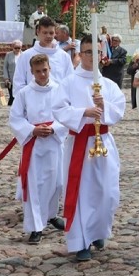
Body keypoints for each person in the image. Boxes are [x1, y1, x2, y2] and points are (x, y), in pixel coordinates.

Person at [53, 35, 126, 262]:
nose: (91, 57)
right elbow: (58, 108)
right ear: (79, 54)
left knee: (106, 192)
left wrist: (104, 107)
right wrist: (83, 112)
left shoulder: (108, 84)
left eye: (95, 52)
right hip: (80, 144)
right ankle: (81, 240)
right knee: (82, 192)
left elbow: (119, 109)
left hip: (103, 143)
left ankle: (98, 231)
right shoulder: (69, 82)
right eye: (87, 52)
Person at [5, 54, 68, 244]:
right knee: (35, 185)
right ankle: (35, 227)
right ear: (31, 72)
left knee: (56, 182)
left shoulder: (60, 90)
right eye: (38, 71)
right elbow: (15, 118)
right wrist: (32, 130)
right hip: (34, 144)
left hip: (55, 142)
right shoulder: (24, 93)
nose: (42, 74)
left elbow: (67, 114)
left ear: (50, 69)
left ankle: (50, 214)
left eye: (45, 70)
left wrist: (55, 128)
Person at [15, 17, 74, 88]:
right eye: (45, 32)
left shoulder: (64, 56)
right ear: (38, 32)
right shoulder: (25, 56)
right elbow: (18, 84)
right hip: (32, 98)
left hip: (58, 98)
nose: (48, 36)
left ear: (55, 33)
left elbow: (70, 82)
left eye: (51, 33)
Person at [3, 39, 23, 105]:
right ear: (12, 47)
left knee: (19, 97)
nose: (17, 49)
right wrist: (6, 78)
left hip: (21, 79)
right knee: (12, 96)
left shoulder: (24, 55)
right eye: (16, 48)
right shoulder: (8, 55)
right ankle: (10, 109)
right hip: (11, 79)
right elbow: (5, 67)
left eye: (19, 48)